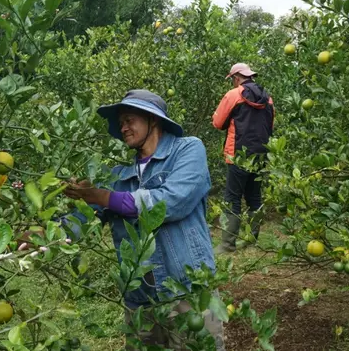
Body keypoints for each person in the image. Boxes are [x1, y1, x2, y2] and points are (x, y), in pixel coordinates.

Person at [61, 89, 225, 350]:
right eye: (121, 122)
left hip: (187, 293)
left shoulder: (188, 150)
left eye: (130, 119)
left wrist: (103, 196)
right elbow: (78, 222)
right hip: (142, 303)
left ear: (153, 119)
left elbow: (172, 201)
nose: (124, 127)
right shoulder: (117, 176)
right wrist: (36, 238)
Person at [211, 63, 274, 254]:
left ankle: (227, 244)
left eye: (232, 79)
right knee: (254, 197)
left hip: (237, 155)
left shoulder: (234, 95)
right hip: (260, 155)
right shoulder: (268, 99)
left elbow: (218, 122)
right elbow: (269, 126)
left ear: (237, 77)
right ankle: (252, 240)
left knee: (232, 198)